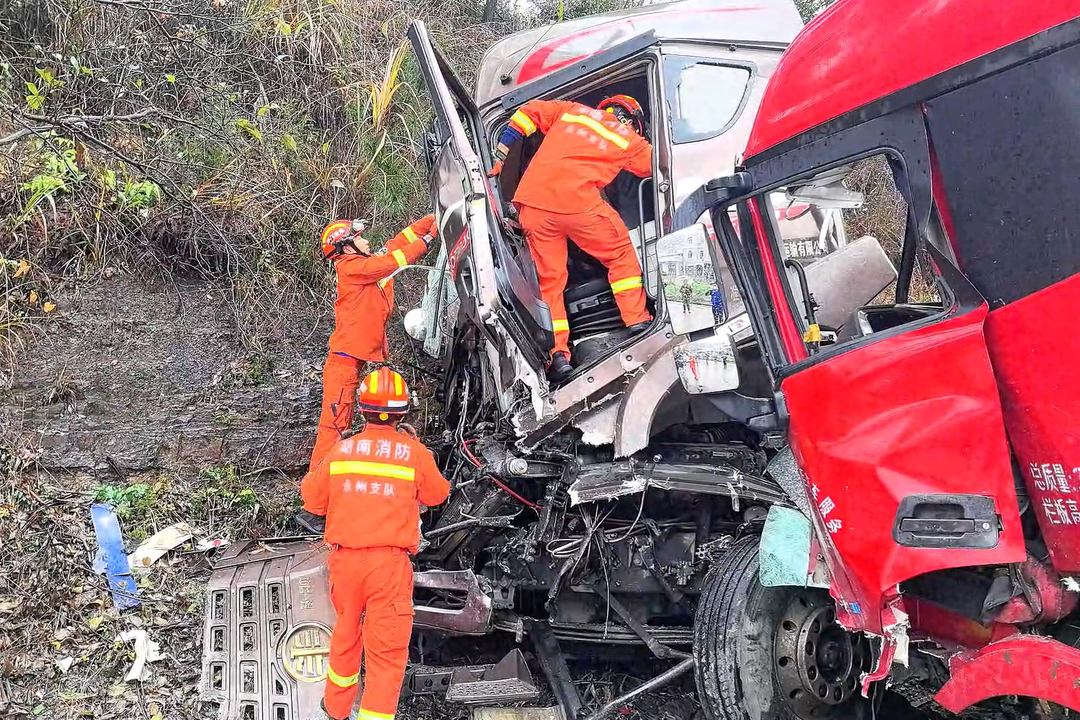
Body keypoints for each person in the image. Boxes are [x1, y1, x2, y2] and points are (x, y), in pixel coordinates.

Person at [301, 366, 450, 720]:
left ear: (363, 408)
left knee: (346, 636)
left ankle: (336, 710)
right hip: (388, 567)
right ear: (402, 412)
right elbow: (439, 494)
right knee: (386, 653)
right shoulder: (413, 453)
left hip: (345, 564)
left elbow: (311, 499)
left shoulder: (342, 451)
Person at [489, 94, 654, 384]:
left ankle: (559, 356)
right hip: (578, 204)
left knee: (550, 283)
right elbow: (661, 165)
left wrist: (501, 154)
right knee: (619, 255)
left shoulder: (571, 112)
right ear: (633, 121)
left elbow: (528, 113)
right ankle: (638, 322)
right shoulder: (628, 138)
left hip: (532, 205)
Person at [305, 215, 437, 482]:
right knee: (334, 426)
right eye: (359, 238)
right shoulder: (351, 267)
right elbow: (392, 262)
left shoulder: (365, 263)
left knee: (339, 424)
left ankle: (326, 489)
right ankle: (315, 494)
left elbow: (398, 243)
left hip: (352, 361)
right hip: (343, 364)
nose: (366, 240)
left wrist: (433, 218)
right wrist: (428, 240)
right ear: (346, 247)